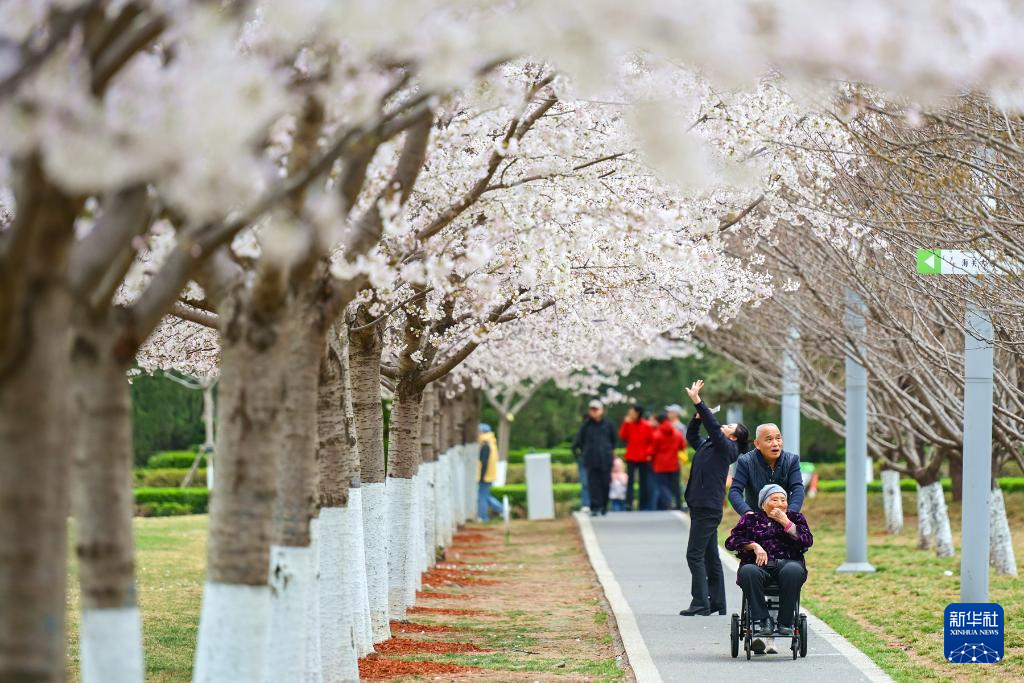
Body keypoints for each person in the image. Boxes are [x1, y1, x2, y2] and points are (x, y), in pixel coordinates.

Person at [679, 380, 750, 617]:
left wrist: (698, 402)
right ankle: (717, 602)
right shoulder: (710, 446)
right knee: (710, 556)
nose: (723, 426)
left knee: (694, 555)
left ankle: (700, 602)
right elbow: (692, 436)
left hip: (707, 508)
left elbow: (713, 426)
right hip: (701, 505)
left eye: (729, 426)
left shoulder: (727, 449)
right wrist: (697, 417)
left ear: (734, 438)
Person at [724, 484, 813, 641]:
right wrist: (754, 546)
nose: (780, 503)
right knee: (748, 571)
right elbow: (731, 541)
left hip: (788, 564)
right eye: (774, 499)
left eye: (783, 500)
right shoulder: (751, 519)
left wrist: (787, 523)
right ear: (763, 504)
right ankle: (763, 620)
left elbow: (807, 541)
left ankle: (785, 622)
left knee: (793, 570)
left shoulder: (795, 518)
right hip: (759, 566)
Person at [728, 423, 805, 517]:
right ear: (757, 444)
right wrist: (748, 513)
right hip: (755, 518)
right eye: (769, 439)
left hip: (784, 517)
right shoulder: (746, 461)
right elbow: (734, 491)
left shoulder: (792, 460)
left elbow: (798, 488)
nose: (775, 444)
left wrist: (790, 513)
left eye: (778, 438)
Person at [572, 399, 617, 516]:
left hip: (605, 459)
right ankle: (595, 506)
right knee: (593, 485)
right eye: (592, 409)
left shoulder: (609, 424)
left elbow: (613, 441)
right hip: (591, 460)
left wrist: (611, 455)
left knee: (605, 483)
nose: (594, 412)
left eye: (596, 409)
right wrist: (581, 456)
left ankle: (604, 505)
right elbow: (578, 442)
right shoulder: (586, 426)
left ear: (601, 410)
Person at [618, 404, 654, 510]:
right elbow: (622, 436)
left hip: (644, 458)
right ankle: (628, 504)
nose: (629, 414)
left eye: (631, 412)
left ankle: (643, 504)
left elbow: (651, 442)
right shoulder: (628, 424)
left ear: (637, 413)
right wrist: (625, 423)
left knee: (643, 482)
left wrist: (649, 454)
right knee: (630, 481)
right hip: (631, 457)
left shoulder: (647, 425)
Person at [648, 412, 684, 510]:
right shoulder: (677, 433)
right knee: (675, 486)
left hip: (660, 465)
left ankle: (668, 502)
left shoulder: (657, 434)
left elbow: (652, 451)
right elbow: (682, 446)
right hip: (674, 464)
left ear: (658, 422)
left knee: (661, 485)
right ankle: (678, 505)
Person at [477, 424, 504, 521]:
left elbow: (484, 462)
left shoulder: (485, 444)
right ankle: (502, 509)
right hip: (489, 475)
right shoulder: (491, 443)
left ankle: (483, 517)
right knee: (485, 496)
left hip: (485, 476)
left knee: (482, 497)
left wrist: (481, 476)